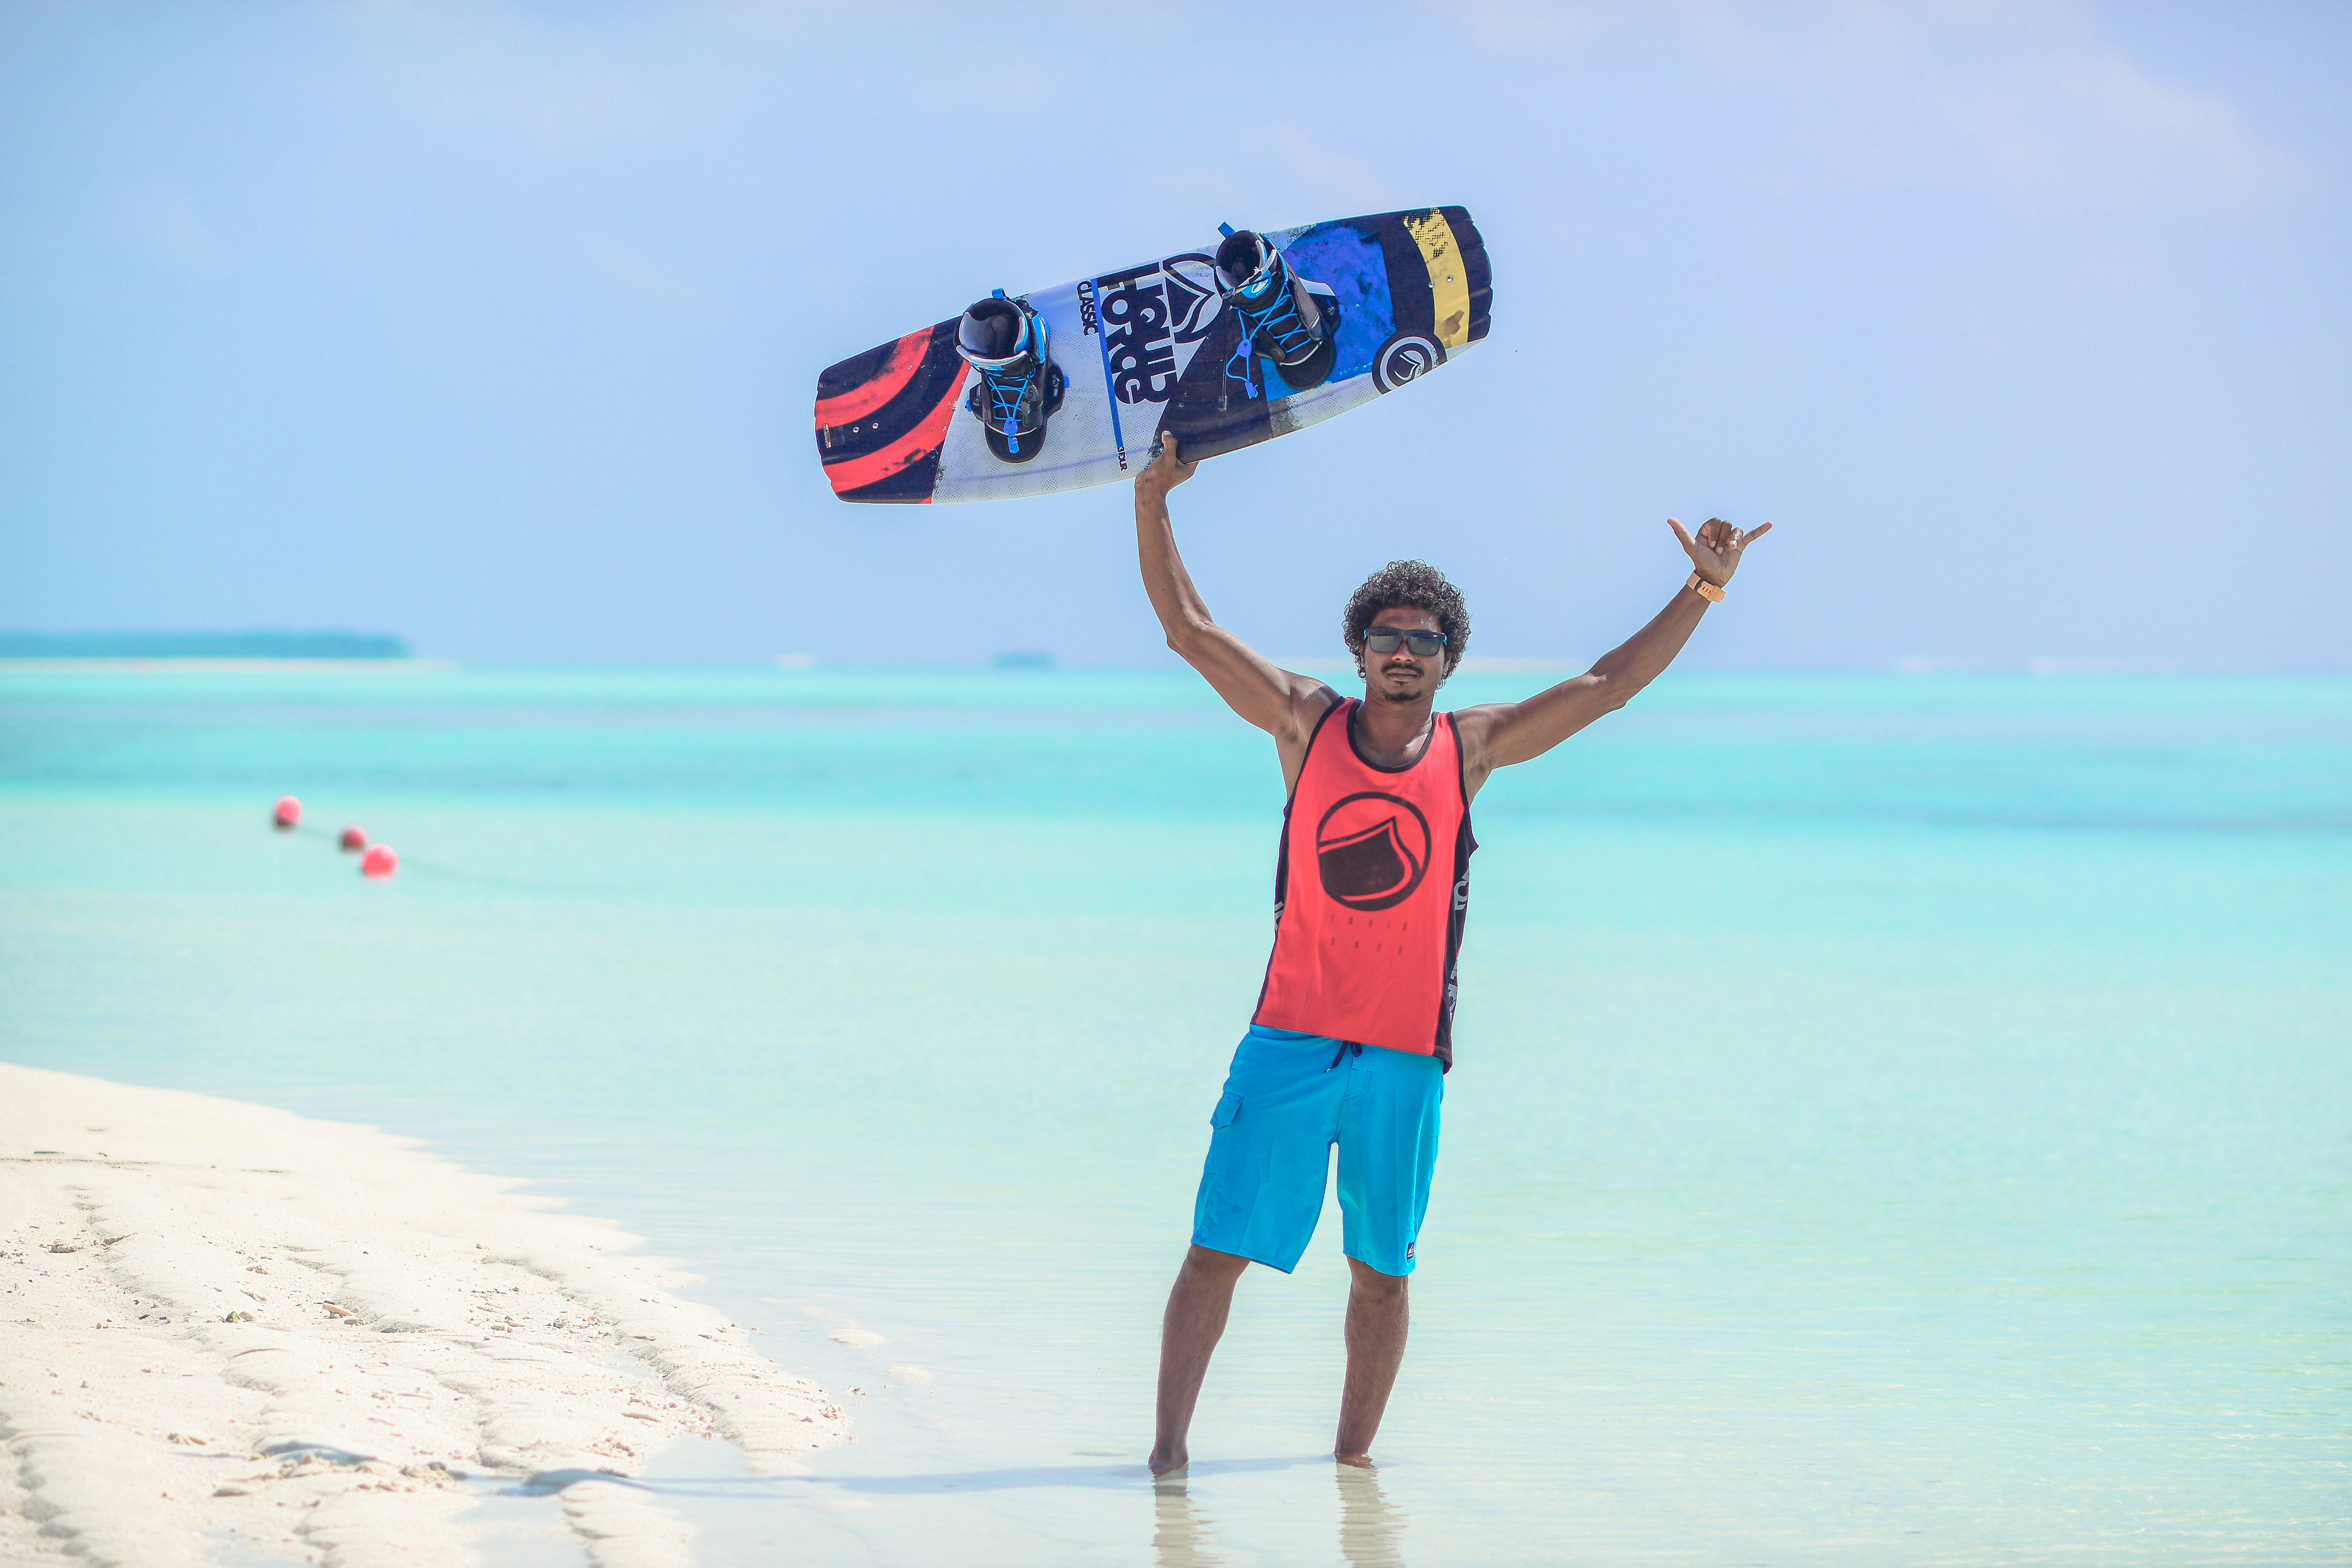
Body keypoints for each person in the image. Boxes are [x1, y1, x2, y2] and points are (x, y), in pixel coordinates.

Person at [1133, 434, 1771, 1475]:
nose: (1403, 651)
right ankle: (1165, 1463)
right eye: (1386, 635)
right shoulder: (1304, 724)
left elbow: (1609, 684)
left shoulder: (1470, 749)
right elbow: (1188, 631)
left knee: (1382, 1274)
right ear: (1359, 650)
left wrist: (1704, 589)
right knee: (1215, 1254)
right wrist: (1154, 497)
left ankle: (1352, 1480)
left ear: (1446, 659)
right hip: (1288, 1041)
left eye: (1422, 639)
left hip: (1402, 1059)